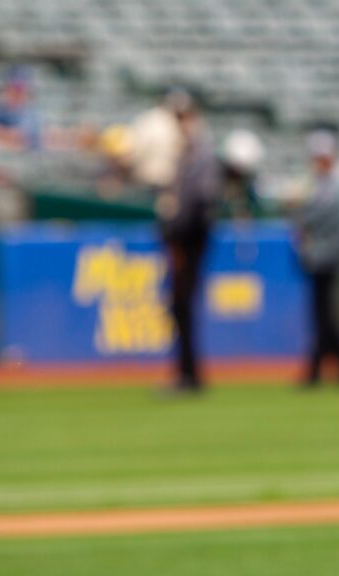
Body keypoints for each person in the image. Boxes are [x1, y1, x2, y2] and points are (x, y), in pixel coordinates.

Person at [155, 95, 220, 394]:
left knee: (183, 305)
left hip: (191, 240)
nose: (181, 123)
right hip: (184, 238)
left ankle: (189, 375)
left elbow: (201, 204)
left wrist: (177, 235)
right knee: (180, 307)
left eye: (184, 117)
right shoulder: (187, 153)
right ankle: (187, 372)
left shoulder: (201, 154)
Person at [286, 130, 339, 387]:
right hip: (321, 256)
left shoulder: (331, 186)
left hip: (326, 257)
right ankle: (338, 369)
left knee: (323, 316)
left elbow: (319, 215)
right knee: (323, 315)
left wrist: (299, 210)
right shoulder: (323, 185)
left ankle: (324, 370)